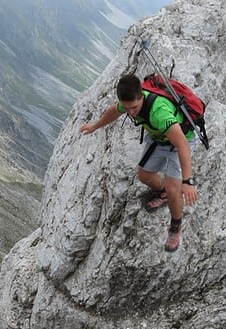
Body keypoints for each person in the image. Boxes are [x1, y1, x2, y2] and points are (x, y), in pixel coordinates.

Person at [80, 73, 197, 252]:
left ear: (142, 96)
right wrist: (96, 126)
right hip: (159, 139)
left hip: (180, 142)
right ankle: (163, 192)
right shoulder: (129, 102)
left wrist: (187, 181)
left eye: (134, 107)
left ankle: (175, 226)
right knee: (144, 176)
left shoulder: (160, 113)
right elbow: (114, 110)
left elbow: (182, 144)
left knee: (176, 190)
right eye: (127, 108)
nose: (131, 112)